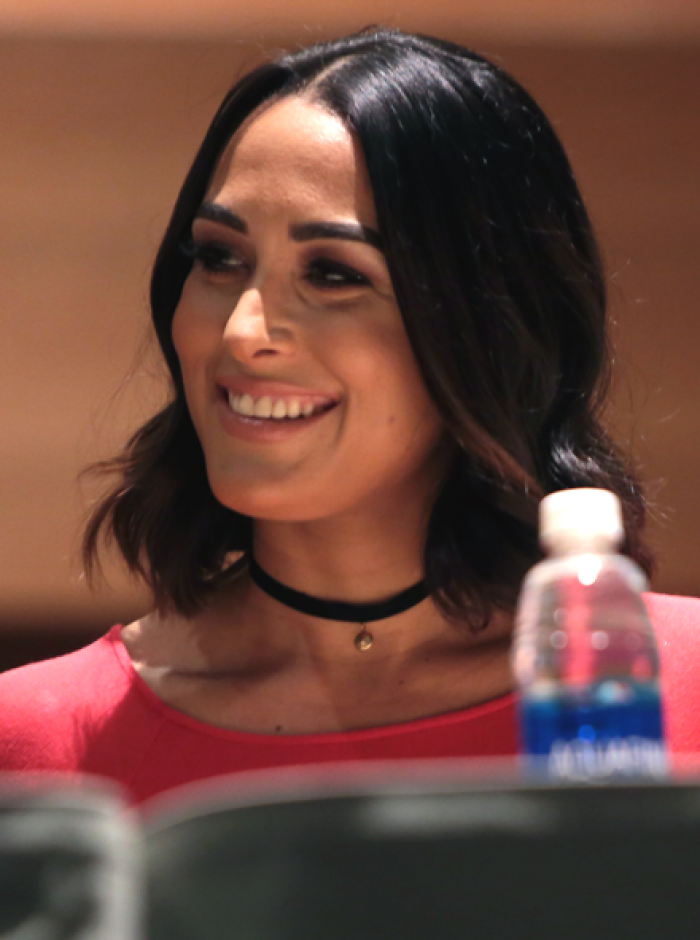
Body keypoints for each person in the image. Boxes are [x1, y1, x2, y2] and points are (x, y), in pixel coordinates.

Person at [1, 28, 698, 806]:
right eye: (219, 259)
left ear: (491, 327)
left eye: (333, 274)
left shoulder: (678, 691)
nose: (239, 332)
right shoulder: (36, 742)